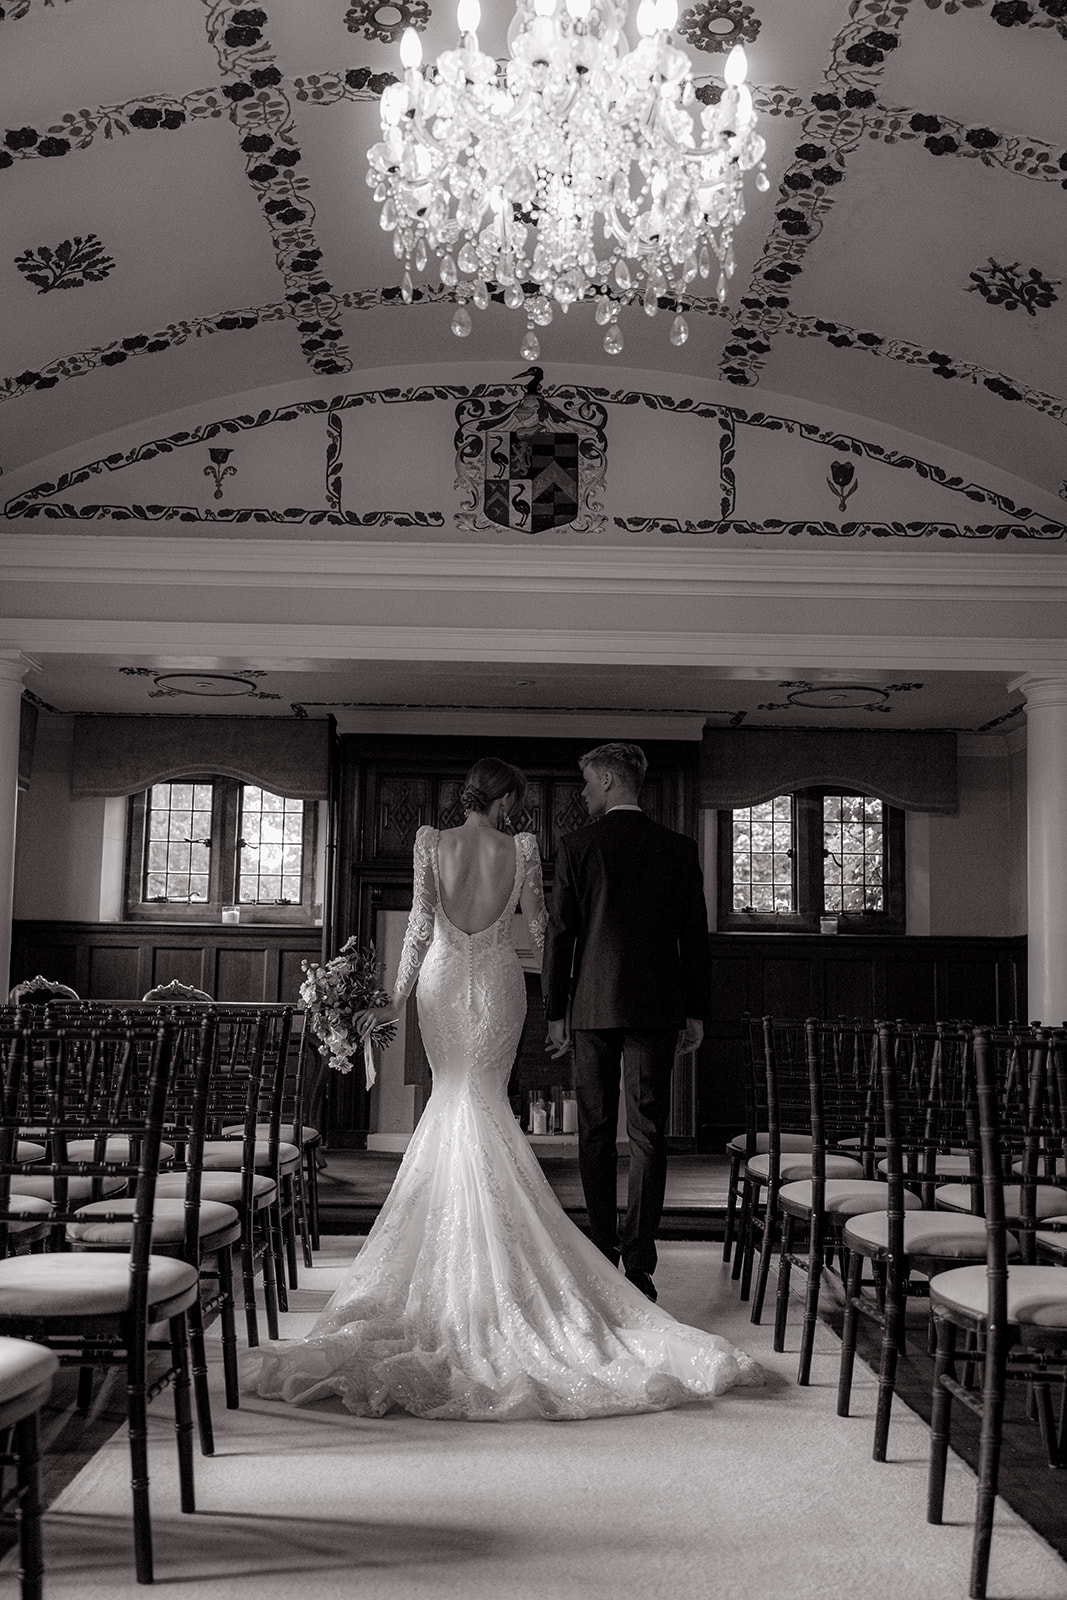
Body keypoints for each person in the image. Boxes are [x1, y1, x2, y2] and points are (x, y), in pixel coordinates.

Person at [255, 756, 760, 1421]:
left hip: (439, 981)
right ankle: (580, 1262)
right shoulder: (524, 848)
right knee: (494, 1104)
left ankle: (485, 1263)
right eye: (519, 799)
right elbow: (545, 928)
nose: (524, 811)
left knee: (452, 1099)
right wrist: (555, 999)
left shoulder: (428, 843)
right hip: (496, 983)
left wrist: (394, 1002)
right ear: (506, 799)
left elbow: (416, 930)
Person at [543, 742, 709, 1304]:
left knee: (593, 1130)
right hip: (658, 1007)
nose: (584, 793)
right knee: (648, 1132)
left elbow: (561, 936)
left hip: (591, 1007)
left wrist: (555, 1012)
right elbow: (695, 938)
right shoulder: (679, 849)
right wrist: (694, 1010)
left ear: (611, 781)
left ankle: (600, 1251)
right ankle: (639, 1264)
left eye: (589, 783)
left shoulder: (576, 846)